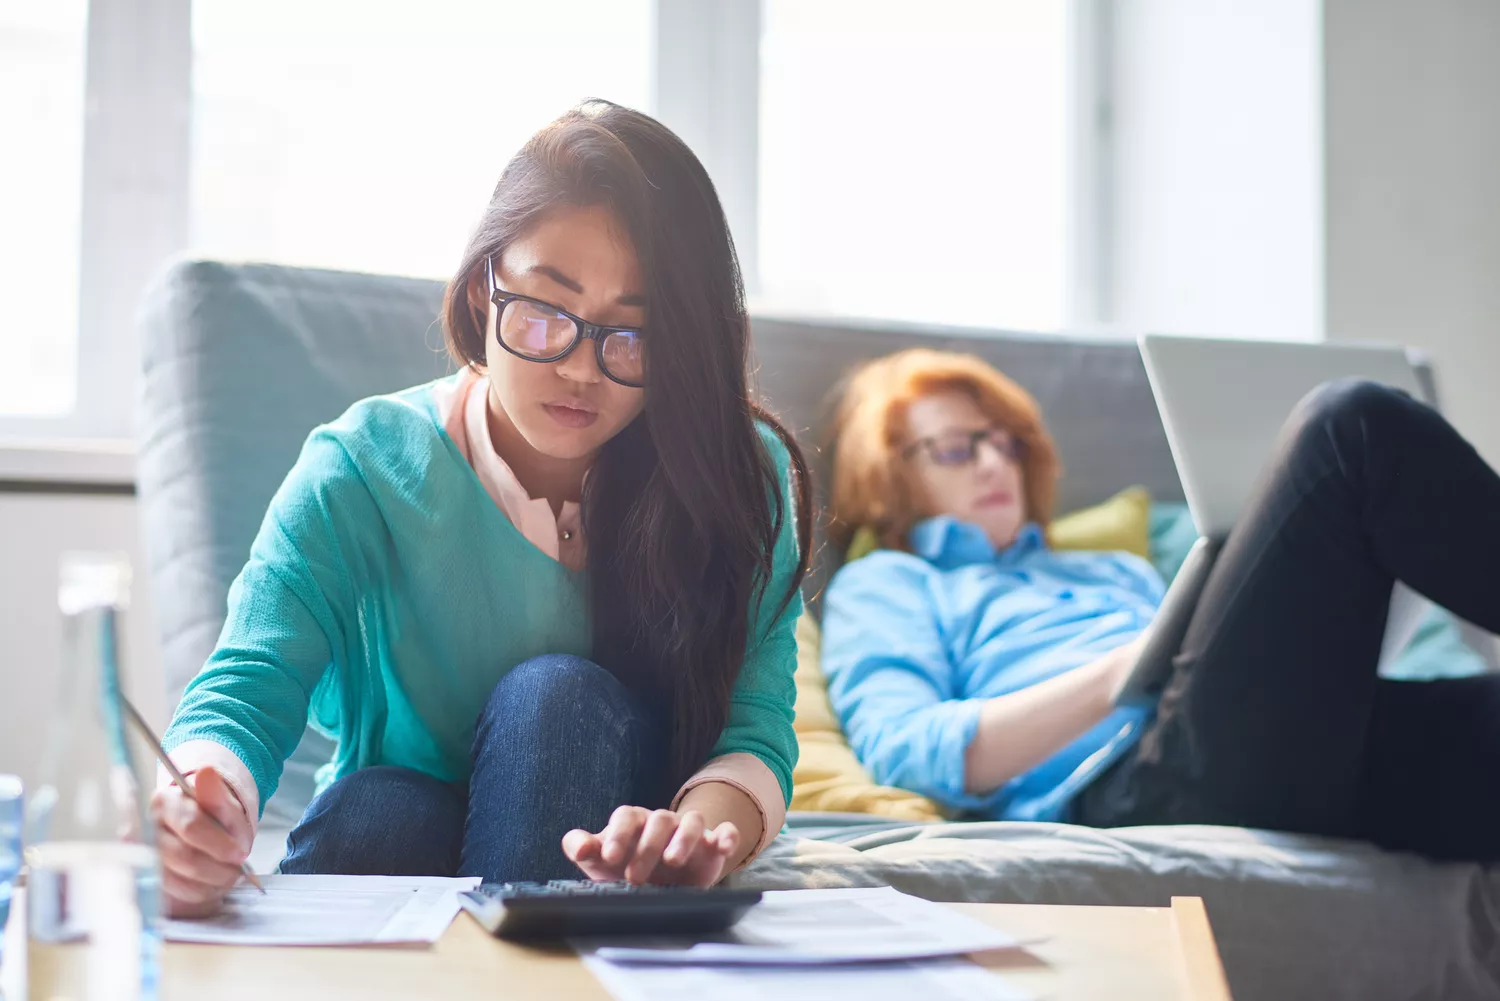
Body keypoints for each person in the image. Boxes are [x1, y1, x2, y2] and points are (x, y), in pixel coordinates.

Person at [151, 100, 810, 916]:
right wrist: (203, 795)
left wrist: (692, 838)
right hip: (402, 827)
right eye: (543, 312)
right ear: (480, 291)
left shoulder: (737, 474)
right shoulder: (360, 467)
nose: (579, 368)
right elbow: (246, 687)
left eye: (632, 335)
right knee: (372, 811)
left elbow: (756, 735)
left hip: (613, 856)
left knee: (555, 698)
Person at [820, 347, 1500, 862]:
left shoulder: (1109, 566)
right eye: (958, 448)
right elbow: (904, 746)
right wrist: (1119, 675)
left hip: (1293, 746)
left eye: (1006, 442)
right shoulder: (890, 580)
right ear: (888, 475)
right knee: (1349, 426)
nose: (996, 464)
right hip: (1137, 783)